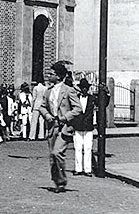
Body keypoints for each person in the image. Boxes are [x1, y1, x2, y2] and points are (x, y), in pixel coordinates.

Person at [39, 62, 83, 193]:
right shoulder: (48, 92)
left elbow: (78, 109)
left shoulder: (69, 90)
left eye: (51, 74)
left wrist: (65, 117)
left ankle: (62, 181)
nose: (48, 76)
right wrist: (46, 115)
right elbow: (41, 106)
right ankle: (57, 182)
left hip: (64, 127)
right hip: (52, 126)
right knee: (53, 156)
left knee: (57, 152)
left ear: (58, 76)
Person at [71, 78, 109, 177]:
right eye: (82, 88)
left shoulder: (92, 99)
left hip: (88, 127)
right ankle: (78, 169)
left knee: (88, 148)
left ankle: (87, 169)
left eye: (86, 88)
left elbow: (103, 104)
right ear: (80, 89)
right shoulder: (75, 98)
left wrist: (106, 93)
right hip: (78, 126)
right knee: (78, 148)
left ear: (88, 89)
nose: (84, 90)